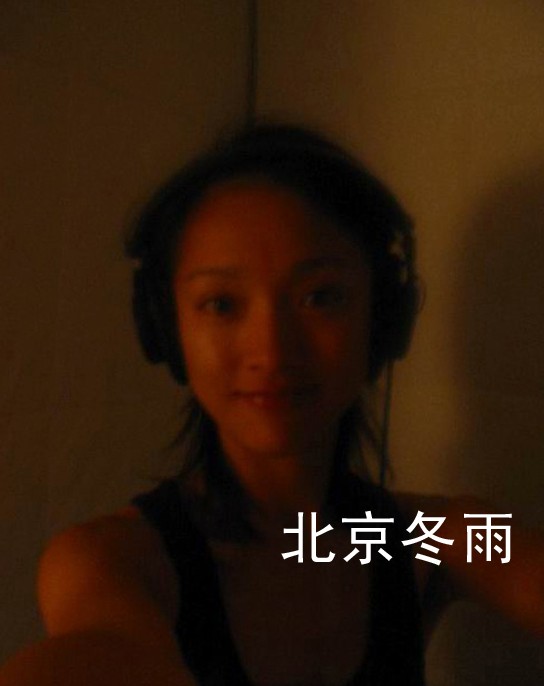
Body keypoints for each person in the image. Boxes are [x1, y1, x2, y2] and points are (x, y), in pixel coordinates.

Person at [1, 124, 542, 686]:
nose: (272, 350)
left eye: (320, 297)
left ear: (382, 319)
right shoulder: (115, 559)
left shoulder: (431, 535)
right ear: (167, 328)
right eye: (222, 304)